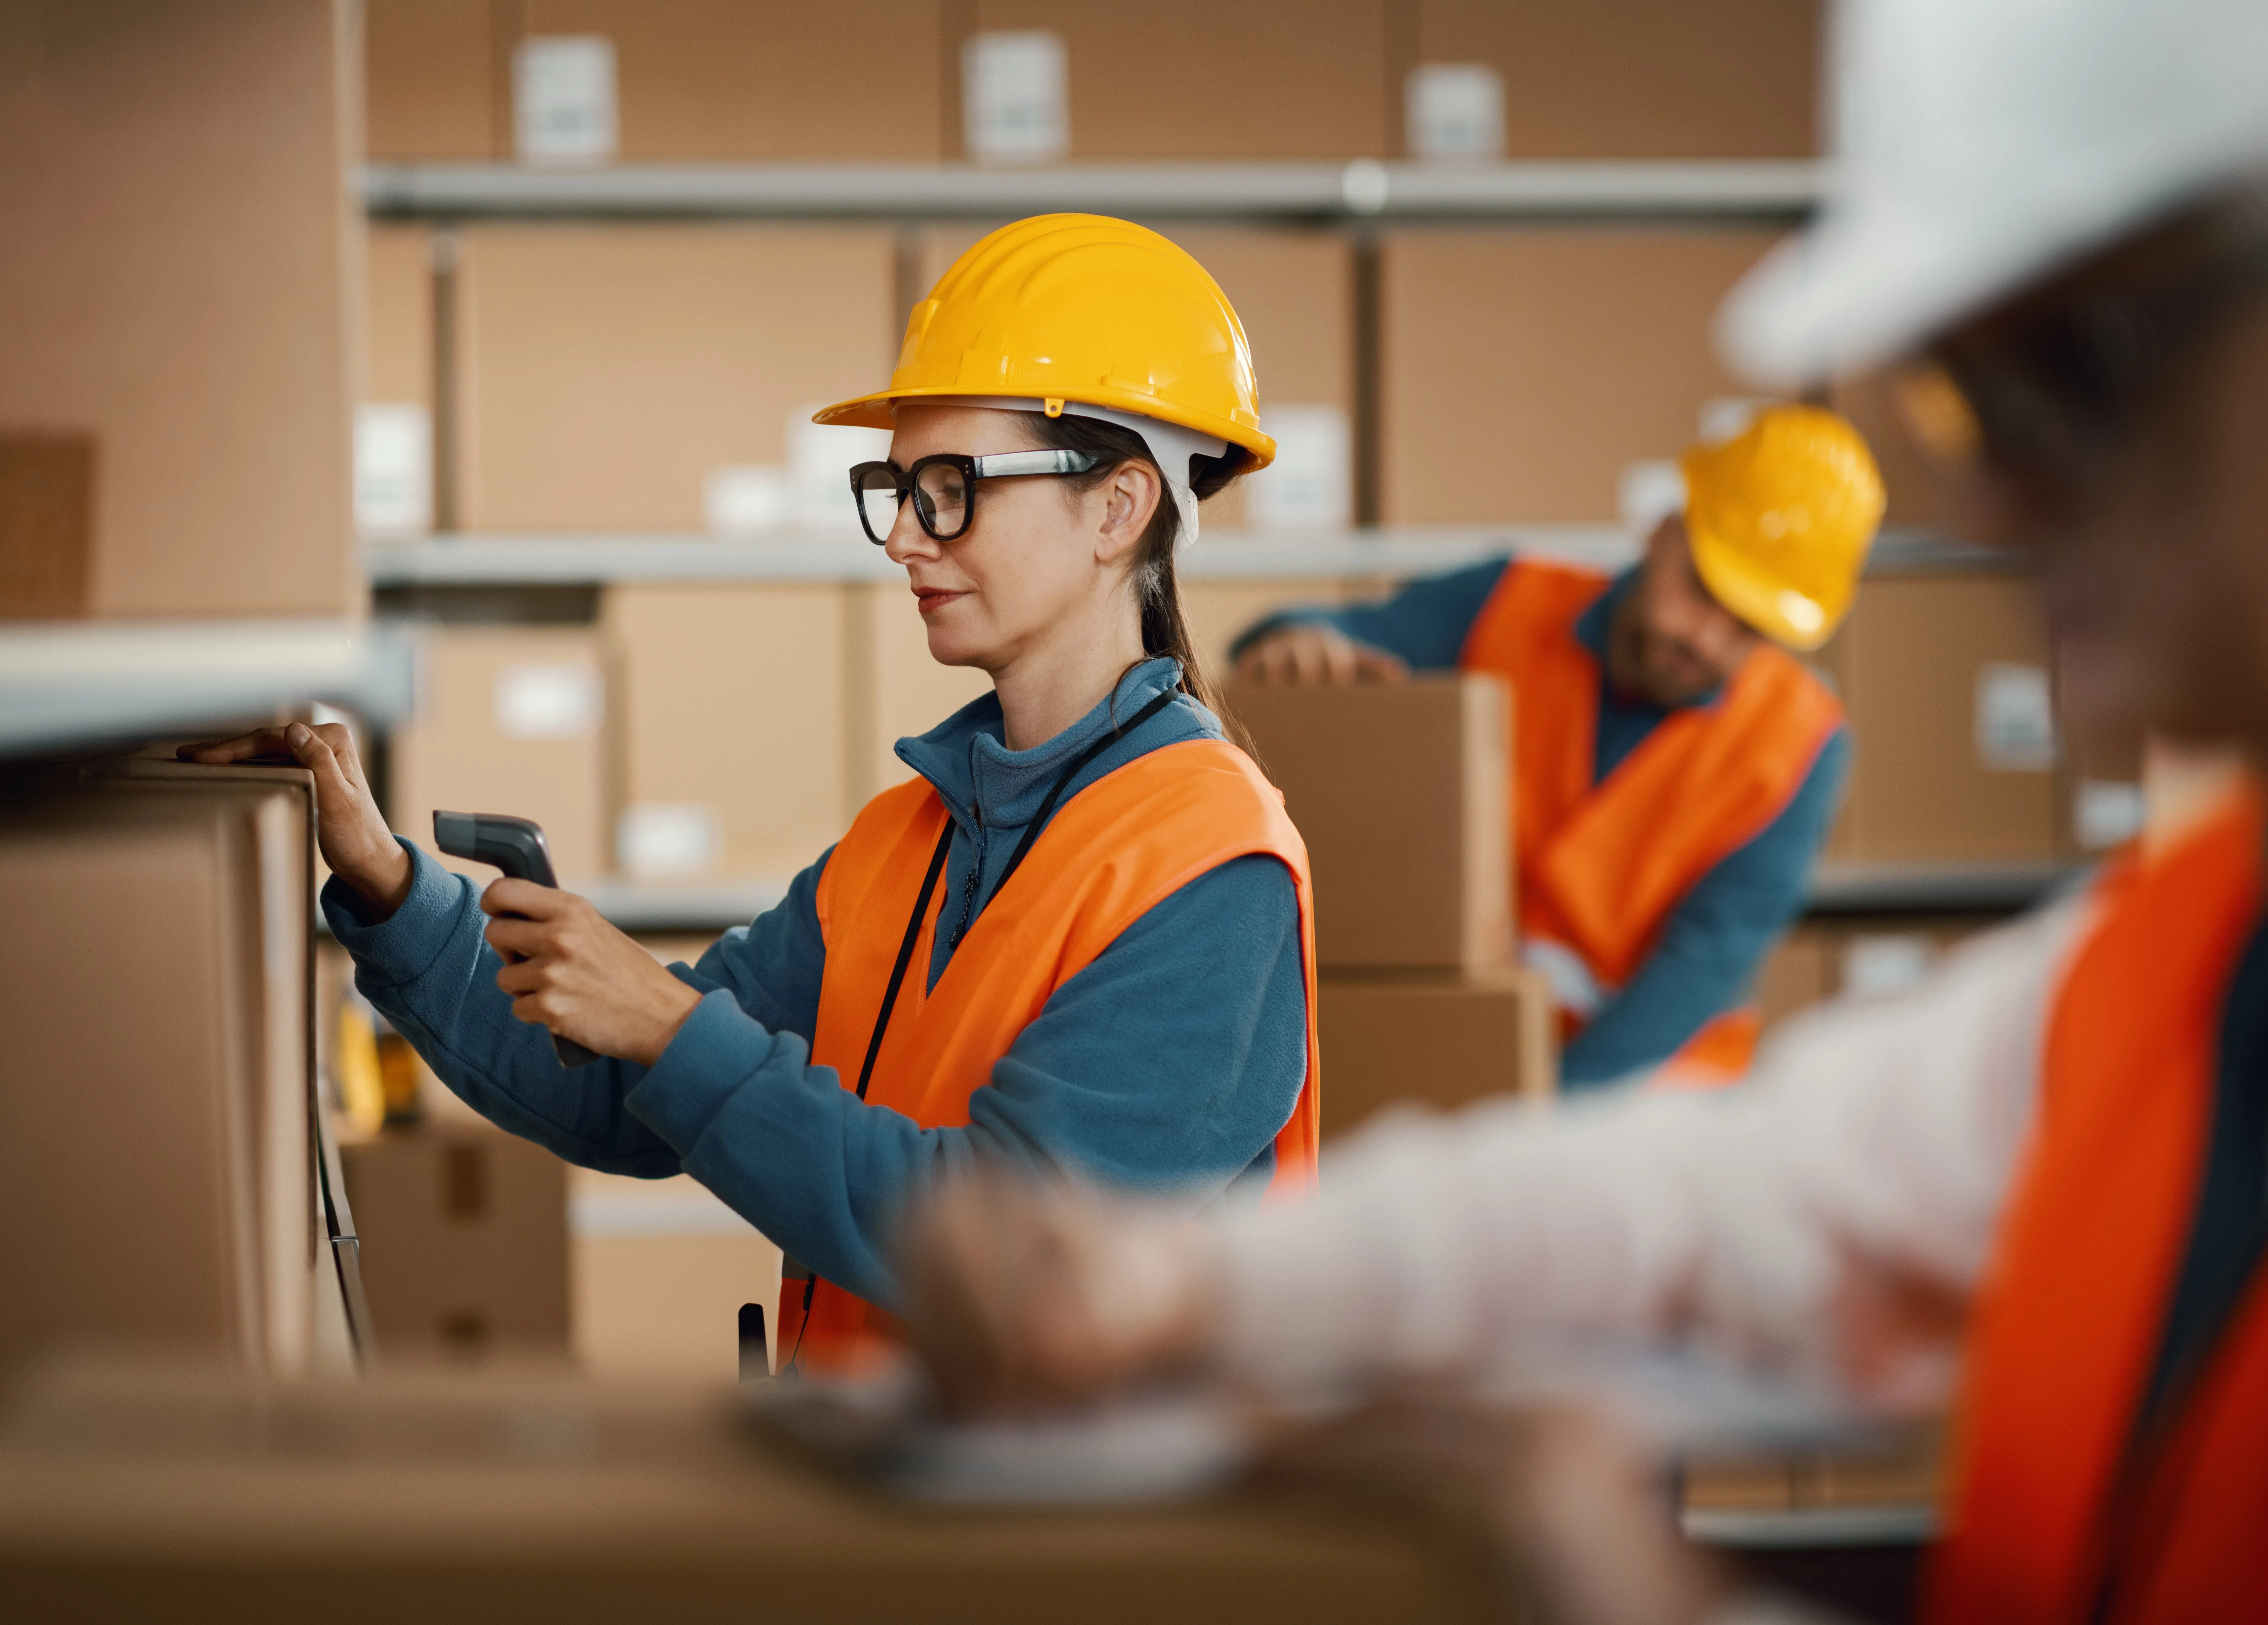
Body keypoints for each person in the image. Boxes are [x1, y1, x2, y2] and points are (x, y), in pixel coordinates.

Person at [896, 0, 2268, 1619]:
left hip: (1564, 1079)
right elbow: (1729, 1191)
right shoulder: (2172, 964)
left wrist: (1656, 1600)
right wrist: (1186, 1281)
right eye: (1962, 403)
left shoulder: (1792, 753)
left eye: (2063, 375)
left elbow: (1665, 1053)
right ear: (1662, 532)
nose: (1991, 505)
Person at [191, 214, 1319, 1377]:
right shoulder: (906, 843)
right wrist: (384, 880)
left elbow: (1017, 1250)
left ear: (1120, 509)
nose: (906, 540)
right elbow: (623, 1094)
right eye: (896, 488)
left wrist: (675, 1026)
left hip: (1093, 1547)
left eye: (953, 489)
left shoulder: (1209, 864)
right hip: (905, 1511)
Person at [1233, 408, 1885, 1089]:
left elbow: (1694, 973)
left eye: (1750, 628)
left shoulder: (1802, 744)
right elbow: (1338, 634)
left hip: (1644, 1105)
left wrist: (1533, 1128)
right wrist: (1299, 639)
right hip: (1461, 1060)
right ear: (1663, 530)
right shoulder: (1507, 601)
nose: (1708, 641)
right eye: (1701, 590)